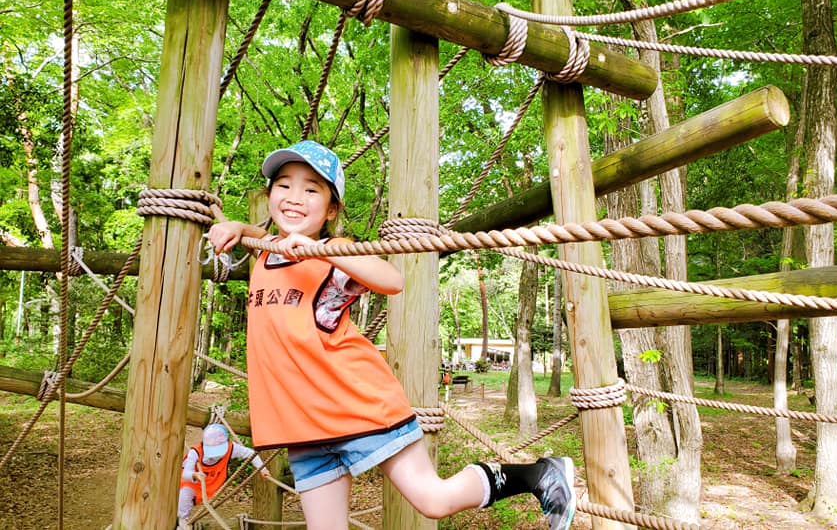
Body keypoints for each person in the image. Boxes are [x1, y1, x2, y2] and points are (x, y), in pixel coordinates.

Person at [206, 140, 576, 530]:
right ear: (269, 197)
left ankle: (540, 475)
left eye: (311, 189)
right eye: (283, 185)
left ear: (331, 209)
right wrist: (235, 226)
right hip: (302, 428)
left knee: (432, 499)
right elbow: (261, 236)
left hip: (357, 407)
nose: (295, 197)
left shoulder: (336, 252)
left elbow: (392, 279)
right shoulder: (265, 249)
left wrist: (320, 250)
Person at [177, 423, 271, 528]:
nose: (215, 456)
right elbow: (186, 473)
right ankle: (182, 521)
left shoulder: (231, 448)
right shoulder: (195, 452)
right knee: (185, 495)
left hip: (212, 481)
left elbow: (250, 454)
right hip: (192, 482)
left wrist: (263, 469)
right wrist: (195, 475)